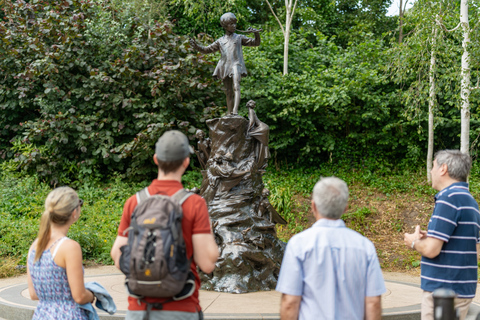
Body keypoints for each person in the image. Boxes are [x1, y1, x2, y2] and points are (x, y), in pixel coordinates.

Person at [110, 130, 219, 320]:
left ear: (155, 159)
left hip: (138, 309)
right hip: (180, 307)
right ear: (186, 162)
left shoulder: (135, 202)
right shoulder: (194, 203)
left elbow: (117, 254)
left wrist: (146, 275)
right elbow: (207, 263)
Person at [276, 177, 386, 320]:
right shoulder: (365, 246)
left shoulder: (298, 245)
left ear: (313, 206)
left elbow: (290, 302)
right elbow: (373, 302)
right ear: (345, 208)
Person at [404, 150, 479, 320]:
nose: (431, 171)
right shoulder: (470, 201)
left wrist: (414, 242)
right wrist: (431, 236)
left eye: (433, 166)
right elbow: (475, 250)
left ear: (443, 169)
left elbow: (431, 250)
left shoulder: (448, 198)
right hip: (463, 289)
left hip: (442, 292)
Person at [27, 187, 95, 320]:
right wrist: (93, 294)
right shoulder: (69, 247)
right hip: (69, 315)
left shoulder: (35, 246)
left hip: (42, 315)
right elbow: (79, 296)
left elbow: (33, 294)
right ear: (74, 212)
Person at [190, 12, 261, 115]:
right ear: (225, 25)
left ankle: (235, 111)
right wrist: (196, 46)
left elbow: (256, 43)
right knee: (228, 91)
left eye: (235, 23)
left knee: (236, 86)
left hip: (236, 65)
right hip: (225, 66)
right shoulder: (220, 41)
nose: (234, 26)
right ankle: (229, 112)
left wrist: (256, 33)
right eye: (231, 24)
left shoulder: (239, 37)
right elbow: (206, 50)